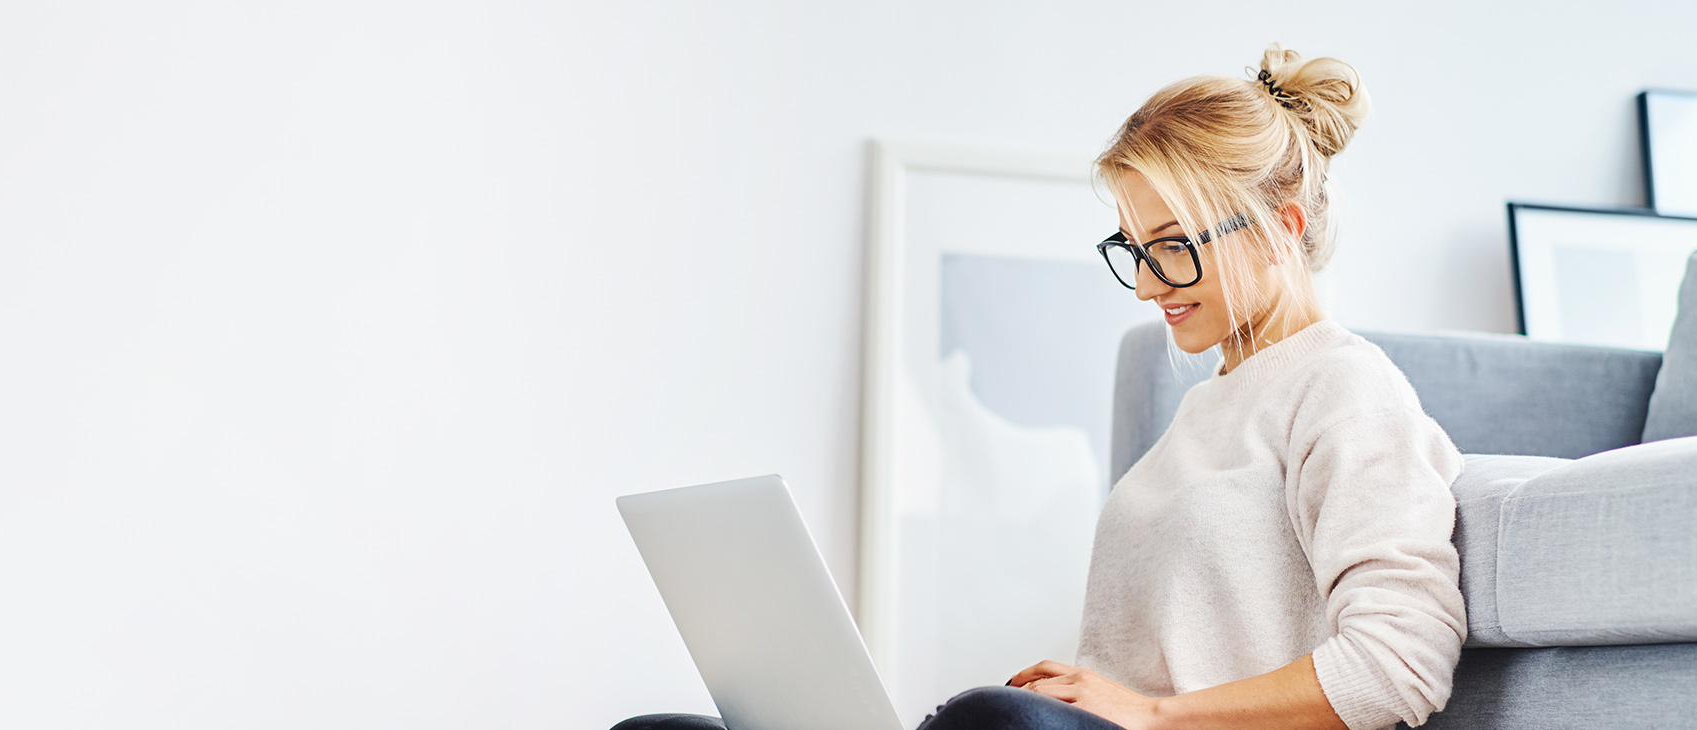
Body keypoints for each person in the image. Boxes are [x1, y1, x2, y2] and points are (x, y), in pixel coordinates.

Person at [615, 42, 1466, 730]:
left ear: (1280, 228)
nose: (1146, 285)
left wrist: (1152, 713)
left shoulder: (1346, 389)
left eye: (1173, 244)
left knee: (995, 724)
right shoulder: (1212, 404)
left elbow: (1401, 663)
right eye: (1133, 249)